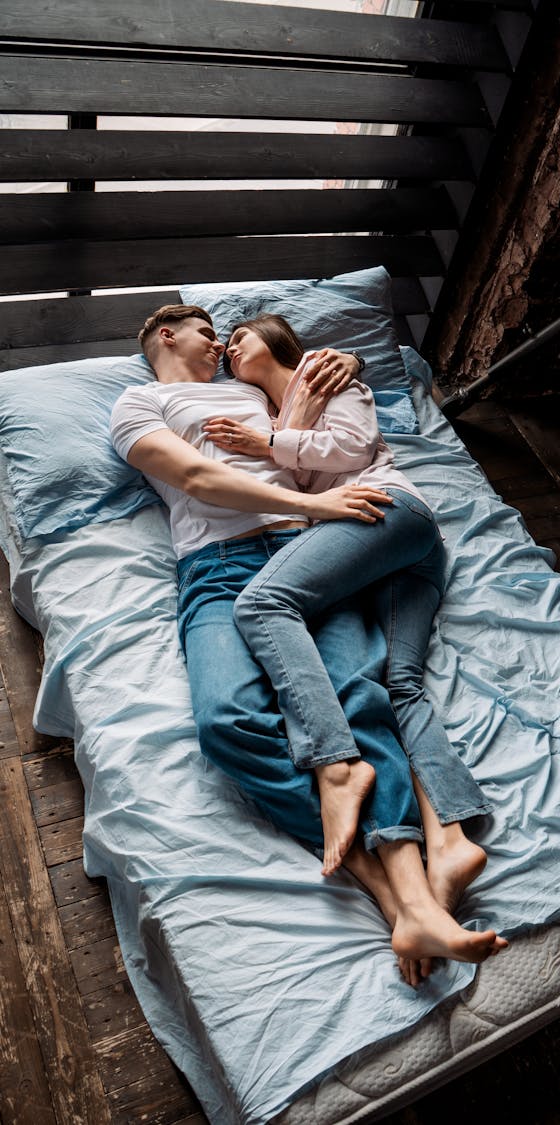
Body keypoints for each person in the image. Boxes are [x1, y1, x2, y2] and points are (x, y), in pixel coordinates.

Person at [110, 305, 505, 976]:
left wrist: (349, 366)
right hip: (221, 564)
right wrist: (317, 507)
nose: (223, 348)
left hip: (305, 549)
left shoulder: (254, 391)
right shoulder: (140, 401)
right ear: (168, 334)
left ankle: (416, 903)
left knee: (360, 695)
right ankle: (391, 892)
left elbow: (314, 426)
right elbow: (202, 479)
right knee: (227, 719)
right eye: (212, 332)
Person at [210, 313, 491, 913]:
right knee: (398, 684)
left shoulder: (328, 374)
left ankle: (335, 764)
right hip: (392, 557)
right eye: (226, 346)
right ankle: (451, 839)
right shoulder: (275, 416)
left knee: (262, 601)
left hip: (390, 512)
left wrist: (267, 444)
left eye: (242, 337)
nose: (231, 349)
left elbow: (353, 448)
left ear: (280, 340)